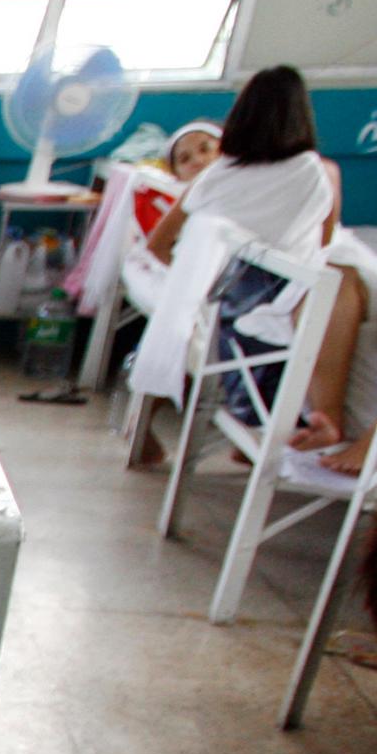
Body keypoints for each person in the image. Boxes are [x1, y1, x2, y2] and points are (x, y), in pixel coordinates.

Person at [147, 66, 367, 476]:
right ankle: (330, 416)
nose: (197, 160)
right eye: (185, 156)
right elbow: (323, 243)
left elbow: (158, 245)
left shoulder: (216, 177)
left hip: (230, 299)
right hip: (290, 294)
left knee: (331, 282)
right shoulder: (313, 171)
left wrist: (193, 279)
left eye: (202, 148)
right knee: (342, 279)